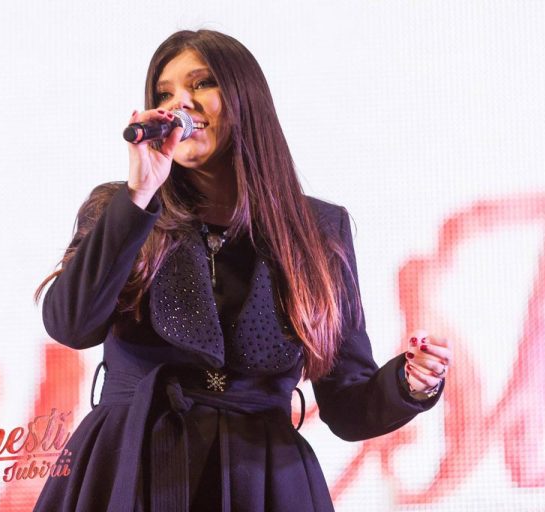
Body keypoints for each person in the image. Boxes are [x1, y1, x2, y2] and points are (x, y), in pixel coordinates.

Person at [33, 29, 452, 512]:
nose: (179, 104)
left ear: (244, 99)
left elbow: (346, 404)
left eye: (201, 83)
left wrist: (410, 383)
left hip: (264, 481)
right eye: (164, 94)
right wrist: (139, 195)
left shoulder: (318, 229)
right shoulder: (124, 207)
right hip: (131, 468)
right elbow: (71, 325)